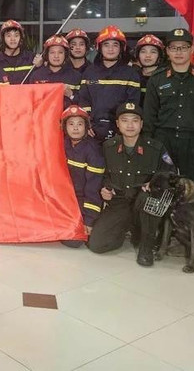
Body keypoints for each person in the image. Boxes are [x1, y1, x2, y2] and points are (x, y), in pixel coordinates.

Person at [89, 102, 176, 266]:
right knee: (97, 244)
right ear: (117, 123)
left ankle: (146, 247)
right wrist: (105, 188)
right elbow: (102, 174)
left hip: (145, 204)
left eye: (135, 120)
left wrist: (154, 183)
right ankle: (127, 230)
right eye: (125, 120)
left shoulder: (155, 148)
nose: (130, 125)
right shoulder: (108, 147)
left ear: (141, 124)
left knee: (145, 198)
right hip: (120, 202)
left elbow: (170, 174)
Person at [143, 28, 194, 198]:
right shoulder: (157, 79)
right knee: (161, 187)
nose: (179, 52)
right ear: (167, 51)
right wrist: (148, 144)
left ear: (192, 50)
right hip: (164, 140)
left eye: (183, 47)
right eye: (174, 48)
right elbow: (149, 115)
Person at [76, 25, 141, 140]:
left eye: (115, 45)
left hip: (120, 132)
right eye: (106, 45)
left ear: (121, 48)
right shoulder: (89, 72)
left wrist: (122, 127)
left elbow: (132, 104)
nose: (111, 49)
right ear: (99, 47)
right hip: (91, 131)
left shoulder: (131, 74)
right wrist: (86, 122)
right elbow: (84, 100)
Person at [60, 105, 105, 247]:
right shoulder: (60, 145)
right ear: (64, 127)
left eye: (80, 124)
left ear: (87, 127)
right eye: (71, 124)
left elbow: (93, 190)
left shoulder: (93, 152)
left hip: (82, 200)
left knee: (74, 241)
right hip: (63, 198)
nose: (75, 128)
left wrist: (88, 220)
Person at [28, 35, 81, 104]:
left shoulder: (76, 76)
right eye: (52, 52)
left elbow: (83, 103)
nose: (56, 56)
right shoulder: (37, 76)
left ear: (65, 55)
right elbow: (29, 102)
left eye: (60, 52)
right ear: (47, 55)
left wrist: (71, 95)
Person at [0, 20, 34, 84]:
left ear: (21, 38)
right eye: (8, 36)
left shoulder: (31, 58)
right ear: (2, 38)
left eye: (16, 35)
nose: (13, 39)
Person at [133, 34, 165, 105]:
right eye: (143, 51)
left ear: (160, 56)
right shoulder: (132, 76)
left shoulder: (166, 77)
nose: (147, 55)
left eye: (153, 52)